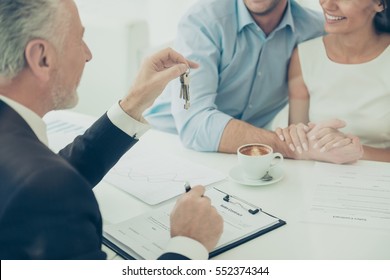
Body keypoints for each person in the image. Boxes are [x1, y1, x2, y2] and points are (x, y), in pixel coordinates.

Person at [0, 0, 223, 260]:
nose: (88, 54)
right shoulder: (50, 191)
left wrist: (132, 104)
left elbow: (38, 180)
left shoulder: (29, 171)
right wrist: (188, 243)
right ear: (42, 57)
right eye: (79, 39)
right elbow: (46, 187)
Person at [144, 0, 325, 155]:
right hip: (165, 142)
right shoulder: (203, 21)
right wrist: (290, 147)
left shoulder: (315, 30)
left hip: (238, 153)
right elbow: (194, 125)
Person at [275, 0, 390, 162]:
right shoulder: (304, 56)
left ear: (380, 4)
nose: (327, 5)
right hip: (319, 178)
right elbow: (299, 145)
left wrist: (354, 150)